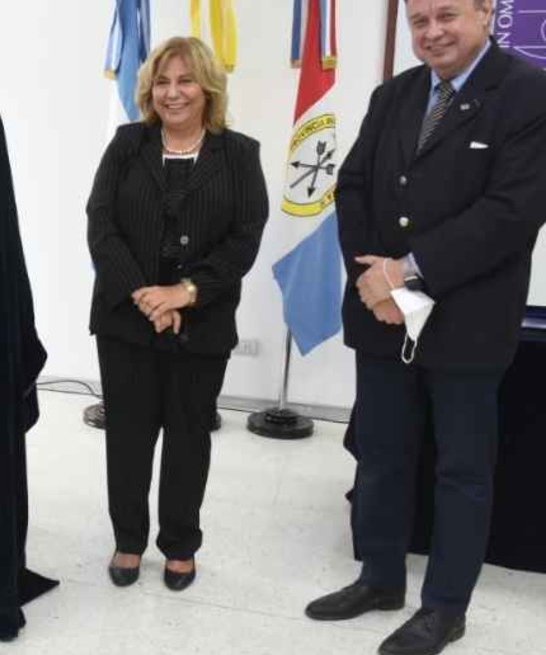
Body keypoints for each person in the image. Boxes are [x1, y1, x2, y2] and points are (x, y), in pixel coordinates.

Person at [305, 1, 546, 653]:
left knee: (461, 470)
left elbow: (512, 210)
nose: (432, 32)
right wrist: (375, 282)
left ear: (486, 11)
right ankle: (379, 577)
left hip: (467, 319)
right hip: (382, 315)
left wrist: (405, 273)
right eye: (419, 20)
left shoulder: (529, 93)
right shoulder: (395, 94)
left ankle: (445, 607)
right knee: (382, 454)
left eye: (447, 15)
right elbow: (352, 187)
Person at [86, 36, 267, 592]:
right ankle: (129, 539)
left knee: (189, 438)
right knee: (128, 436)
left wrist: (184, 293)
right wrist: (148, 295)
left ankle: (180, 545)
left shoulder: (239, 154)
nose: (173, 92)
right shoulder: (128, 144)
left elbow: (244, 239)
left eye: (186, 80)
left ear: (207, 87)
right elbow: (101, 223)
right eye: (162, 82)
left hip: (202, 323)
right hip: (126, 319)